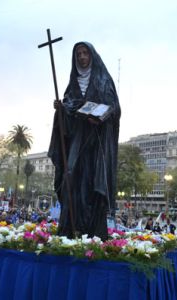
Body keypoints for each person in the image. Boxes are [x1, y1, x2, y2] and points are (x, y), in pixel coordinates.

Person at [48, 41, 121, 240]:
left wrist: (101, 116)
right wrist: (61, 110)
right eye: (78, 54)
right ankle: (69, 229)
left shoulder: (104, 80)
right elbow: (69, 113)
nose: (81, 57)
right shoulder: (72, 84)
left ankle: (94, 233)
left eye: (85, 53)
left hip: (97, 142)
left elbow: (114, 107)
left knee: (92, 184)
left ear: (92, 55)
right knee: (70, 177)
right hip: (78, 140)